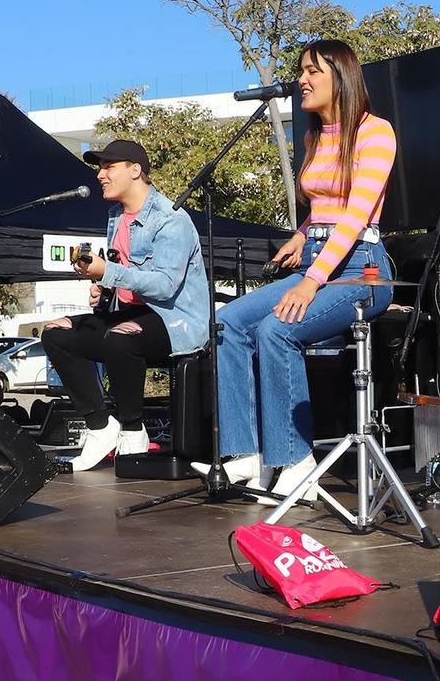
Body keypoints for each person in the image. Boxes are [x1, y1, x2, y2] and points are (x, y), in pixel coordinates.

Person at [214, 39, 398, 497]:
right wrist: (301, 235)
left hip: (361, 269)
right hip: (318, 257)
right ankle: (246, 454)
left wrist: (312, 281)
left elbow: (355, 216)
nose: (302, 80)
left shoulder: (376, 132)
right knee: (227, 323)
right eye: (302, 71)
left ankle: (297, 461)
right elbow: (324, 207)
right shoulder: (317, 136)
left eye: (313, 71)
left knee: (277, 329)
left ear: (341, 76)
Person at [43, 138, 209, 471]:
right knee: (56, 334)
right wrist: (104, 291)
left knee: (121, 337)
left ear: (136, 170)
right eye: (99, 168)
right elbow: (126, 280)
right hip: (133, 314)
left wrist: (110, 272)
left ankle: (133, 428)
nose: (100, 175)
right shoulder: (115, 216)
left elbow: (164, 285)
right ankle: (101, 427)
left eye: (108, 167)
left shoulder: (170, 219)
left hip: (178, 322)